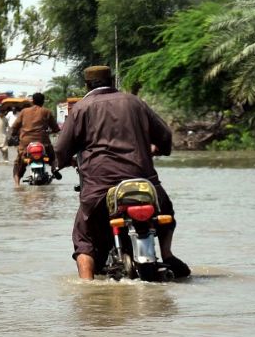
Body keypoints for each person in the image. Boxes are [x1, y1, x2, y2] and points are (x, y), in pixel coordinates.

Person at [54, 65, 190, 280]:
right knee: (166, 213)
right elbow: (164, 135)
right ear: (113, 80)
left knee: (84, 237)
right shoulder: (134, 102)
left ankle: (87, 288)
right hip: (145, 184)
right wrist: (159, 149)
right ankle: (167, 253)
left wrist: (60, 163)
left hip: (100, 188)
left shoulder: (81, 108)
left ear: (87, 85)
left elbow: (61, 149)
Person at [10, 92, 60, 186]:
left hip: (25, 143)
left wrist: (13, 134)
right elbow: (55, 128)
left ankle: (17, 185)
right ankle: (54, 169)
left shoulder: (24, 112)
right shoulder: (47, 111)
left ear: (32, 101)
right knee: (53, 157)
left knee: (19, 162)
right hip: (43, 142)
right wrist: (52, 131)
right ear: (43, 102)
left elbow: (15, 126)